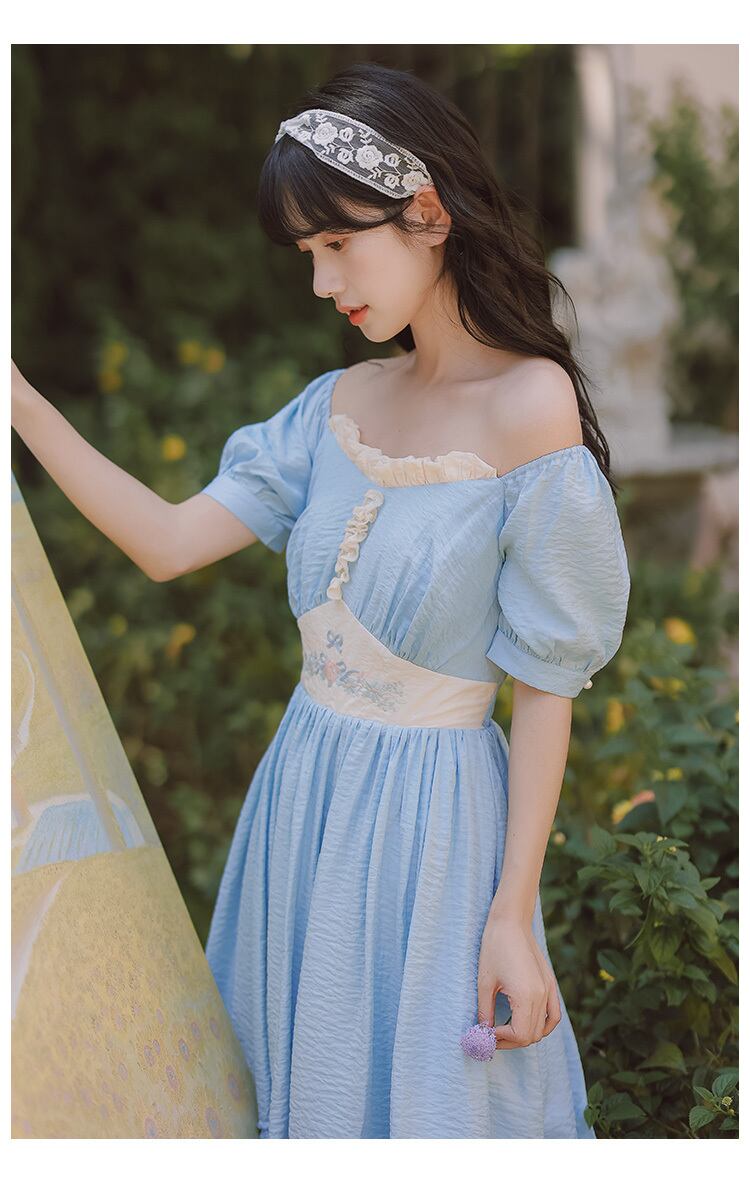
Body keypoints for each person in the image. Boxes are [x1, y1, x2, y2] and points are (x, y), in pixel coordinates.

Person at [11, 61, 631, 1139]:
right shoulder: (333, 406)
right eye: (308, 254)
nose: (321, 281)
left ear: (428, 213)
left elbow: (546, 684)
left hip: (435, 832)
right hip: (300, 802)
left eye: (339, 243)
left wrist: (512, 913)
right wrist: (17, 399)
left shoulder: (529, 407)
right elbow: (165, 542)